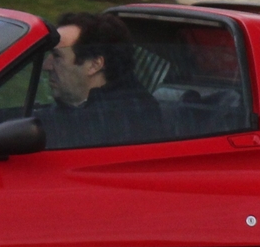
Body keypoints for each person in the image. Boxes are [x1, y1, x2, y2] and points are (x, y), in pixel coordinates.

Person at [41, 11, 166, 148]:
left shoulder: (123, 122)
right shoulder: (87, 111)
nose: (46, 66)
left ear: (94, 65)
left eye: (57, 56)